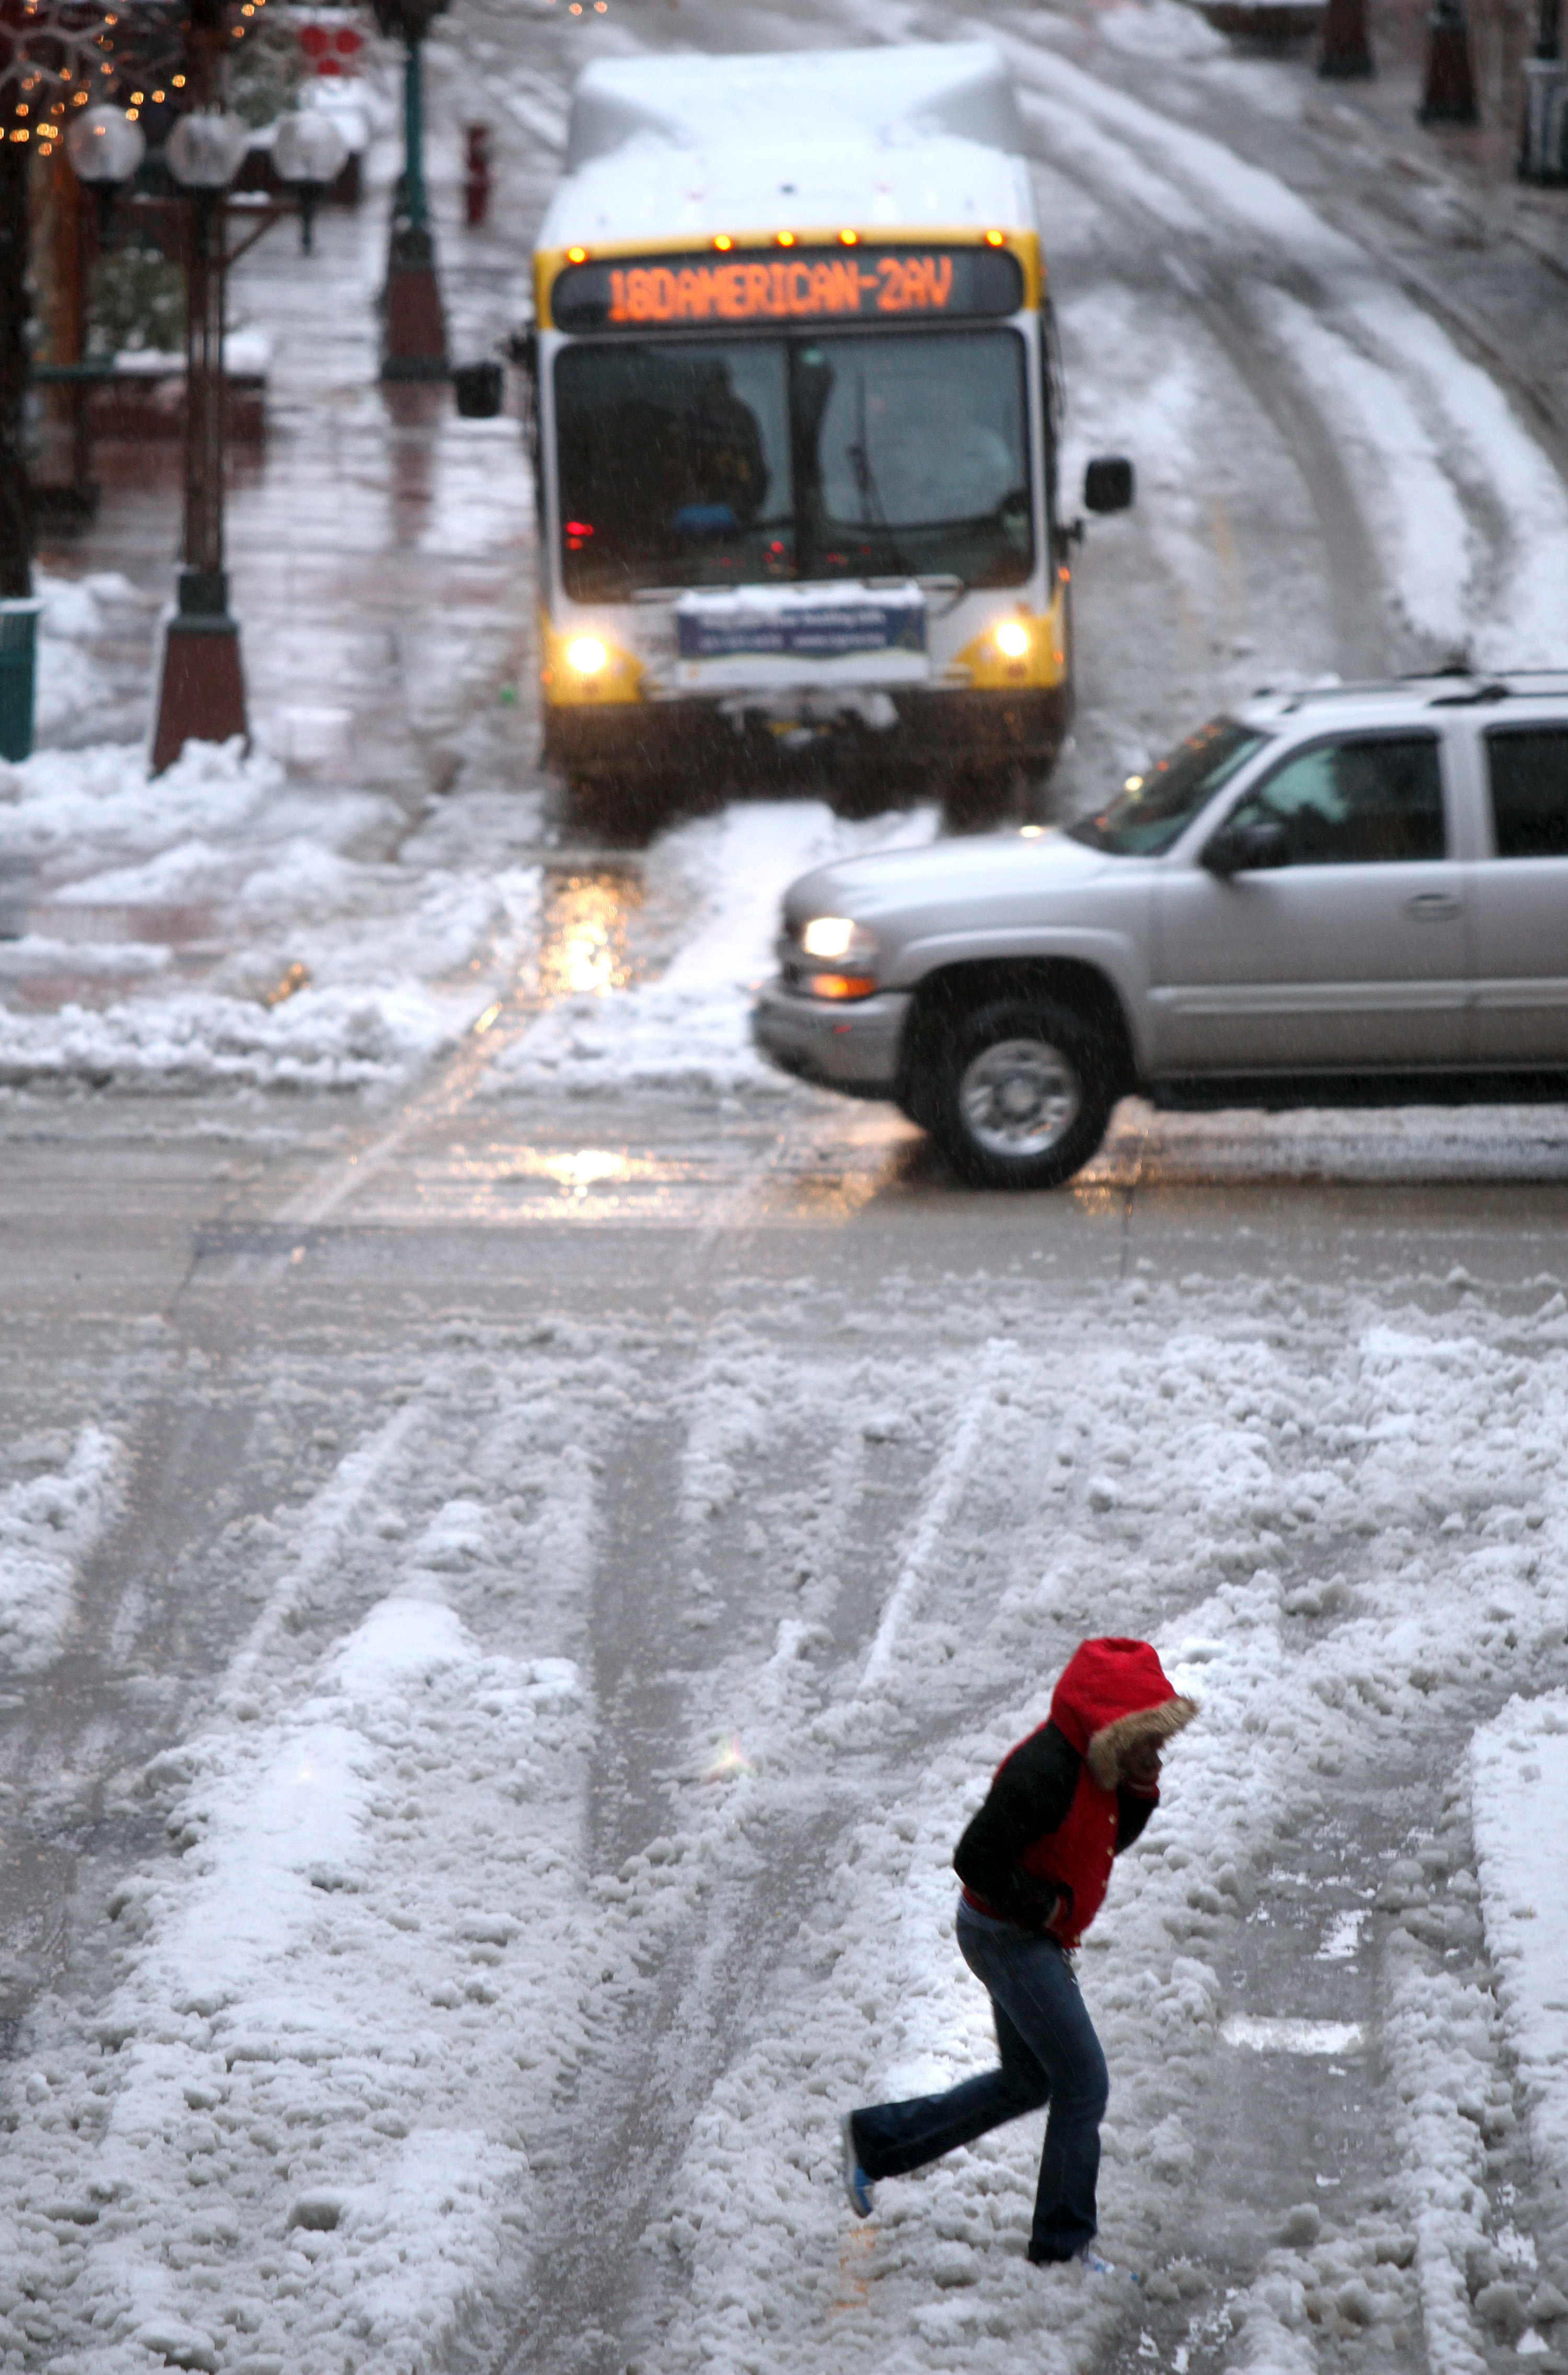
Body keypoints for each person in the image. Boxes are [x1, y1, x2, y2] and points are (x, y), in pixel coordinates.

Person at [842, 1636, 1196, 2269]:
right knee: (1083, 2082)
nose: (1158, 1752)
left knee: (1029, 2080)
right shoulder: (1043, 1772)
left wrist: (1140, 1789)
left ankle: (877, 2142)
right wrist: (1045, 1907)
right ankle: (1062, 2249)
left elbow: (1104, 1839)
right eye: (1147, 1740)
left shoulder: (1103, 1766)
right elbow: (973, 1858)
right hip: (1006, 1936)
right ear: (1111, 1730)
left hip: (1026, 1936)